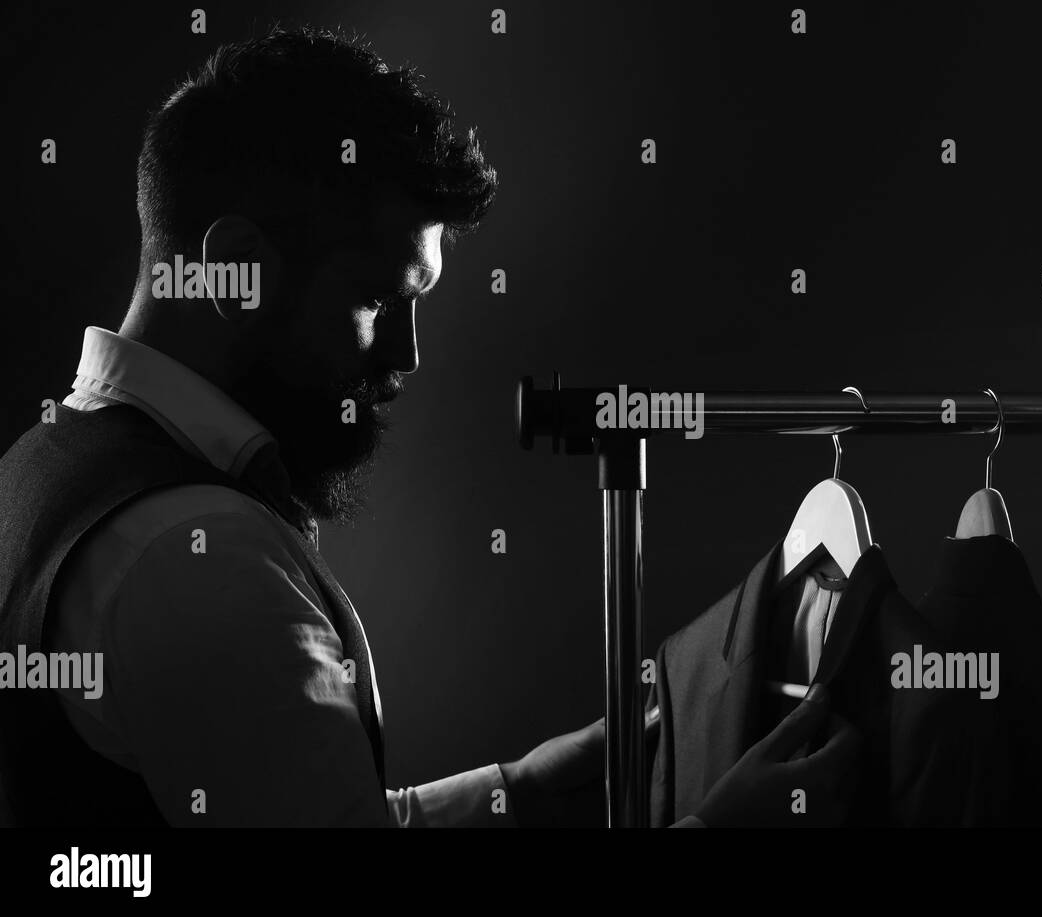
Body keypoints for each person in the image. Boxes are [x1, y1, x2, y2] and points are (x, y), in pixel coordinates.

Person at [0, 26, 863, 827]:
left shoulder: (40, 467)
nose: (408, 357)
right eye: (378, 301)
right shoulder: (200, 560)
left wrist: (516, 789)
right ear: (234, 273)